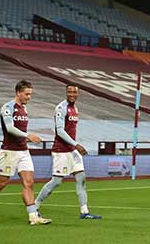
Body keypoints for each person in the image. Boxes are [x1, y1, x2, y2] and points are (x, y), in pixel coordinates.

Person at [0, 80, 51, 225]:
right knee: (2, 183)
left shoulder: (24, 109)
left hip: (23, 151)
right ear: (18, 93)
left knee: (29, 182)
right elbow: (9, 128)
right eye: (27, 94)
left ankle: (33, 216)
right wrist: (28, 135)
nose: (29, 97)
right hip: (9, 152)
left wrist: (26, 139)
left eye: (30, 94)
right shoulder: (7, 107)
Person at [35, 83, 102, 219]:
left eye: (74, 92)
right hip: (61, 150)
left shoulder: (75, 108)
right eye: (69, 92)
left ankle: (84, 212)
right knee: (56, 182)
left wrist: (74, 147)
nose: (72, 94)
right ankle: (34, 207)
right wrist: (76, 144)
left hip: (72, 151)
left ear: (78, 93)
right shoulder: (61, 108)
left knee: (81, 178)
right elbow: (59, 131)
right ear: (66, 93)